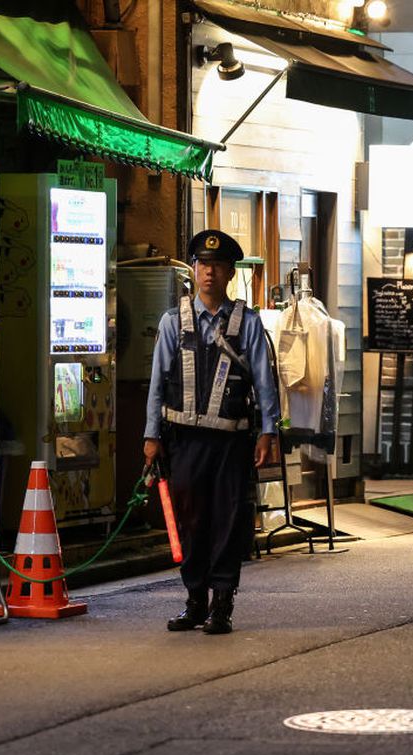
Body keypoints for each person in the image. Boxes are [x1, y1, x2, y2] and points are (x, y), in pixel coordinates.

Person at [144, 229, 280, 635]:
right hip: (182, 440)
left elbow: (264, 380)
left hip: (230, 442)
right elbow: (156, 382)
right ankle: (194, 602)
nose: (209, 273)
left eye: (218, 267)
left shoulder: (248, 323)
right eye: (203, 265)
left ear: (229, 273)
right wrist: (151, 436)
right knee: (190, 520)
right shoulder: (173, 321)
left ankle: (222, 604)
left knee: (227, 520)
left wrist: (268, 432)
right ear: (195, 271)